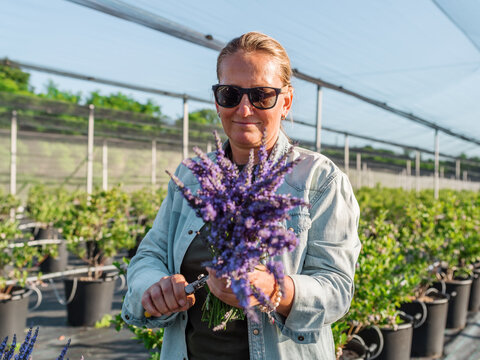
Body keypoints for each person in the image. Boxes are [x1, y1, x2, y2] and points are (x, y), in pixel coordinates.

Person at [122, 32, 361, 360]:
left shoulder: (319, 179)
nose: (244, 108)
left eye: (262, 95)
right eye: (230, 94)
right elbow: (149, 255)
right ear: (218, 100)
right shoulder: (192, 176)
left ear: (286, 102)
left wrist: (275, 289)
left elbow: (337, 288)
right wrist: (155, 286)